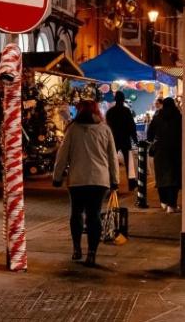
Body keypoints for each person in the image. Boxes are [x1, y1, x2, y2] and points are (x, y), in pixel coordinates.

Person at [52, 100, 119, 267]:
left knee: (76, 213)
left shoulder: (72, 130)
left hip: (77, 180)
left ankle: (76, 249)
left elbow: (62, 155)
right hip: (99, 180)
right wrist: (114, 180)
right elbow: (112, 157)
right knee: (94, 215)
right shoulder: (105, 129)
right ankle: (92, 253)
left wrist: (57, 177)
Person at [147, 97, 182, 213]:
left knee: (161, 177)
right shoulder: (179, 118)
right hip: (175, 151)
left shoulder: (157, 118)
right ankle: (172, 205)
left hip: (160, 151)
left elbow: (149, 136)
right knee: (174, 178)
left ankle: (163, 202)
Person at [105, 90, 138, 191]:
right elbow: (131, 126)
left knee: (112, 162)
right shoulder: (126, 111)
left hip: (113, 139)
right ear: (123, 100)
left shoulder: (110, 112)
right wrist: (135, 139)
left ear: (115, 100)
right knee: (129, 162)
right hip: (125, 139)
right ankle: (132, 183)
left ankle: (112, 183)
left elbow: (107, 126)